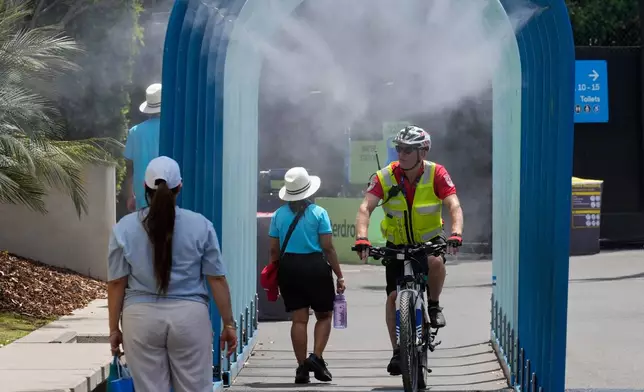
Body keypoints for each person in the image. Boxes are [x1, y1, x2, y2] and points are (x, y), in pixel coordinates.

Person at [107, 156, 238, 392]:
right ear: (180, 187)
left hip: (140, 319)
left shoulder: (124, 228)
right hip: (189, 317)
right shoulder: (201, 225)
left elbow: (117, 283)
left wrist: (114, 329)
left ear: (145, 188)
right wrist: (229, 324)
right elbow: (216, 278)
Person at [353, 125, 463, 376]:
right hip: (397, 243)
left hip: (429, 242)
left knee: (436, 262)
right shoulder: (384, 176)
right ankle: (397, 352)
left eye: (407, 150)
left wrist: (456, 233)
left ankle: (433, 306)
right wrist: (362, 237)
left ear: (422, 152)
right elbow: (364, 209)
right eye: (399, 148)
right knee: (393, 298)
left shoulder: (437, 173)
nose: (401, 154)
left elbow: (454, 205)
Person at [268, 167, 346, 384]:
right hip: (316, 266)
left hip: (289, 268)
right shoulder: (319, 213)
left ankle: (302, 368)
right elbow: (328, 248)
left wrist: (275, 271)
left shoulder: (278, 215)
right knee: (324, 315)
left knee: (299, 319)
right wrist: (339, 275)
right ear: (308, 191)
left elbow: (274, 250)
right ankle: (317, 357)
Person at [124, 83, 162, 212]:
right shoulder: (173, 130)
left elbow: (130, 167)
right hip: (168, 196)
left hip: (142, 198)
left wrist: (131, 195)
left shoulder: (135, 132)